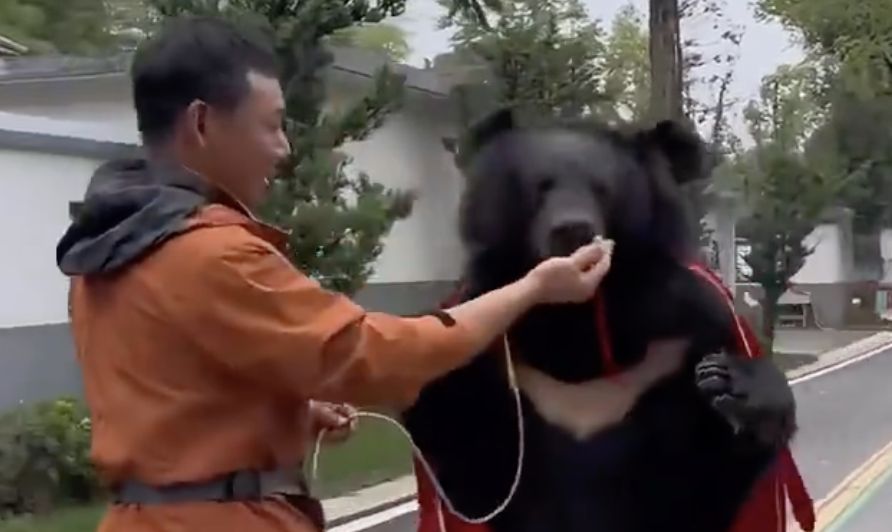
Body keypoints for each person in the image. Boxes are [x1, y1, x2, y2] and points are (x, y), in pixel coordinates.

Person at [55, 16, 613, 532]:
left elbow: (175, 395)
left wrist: (289, 416)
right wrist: (533, 288)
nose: (284, 149)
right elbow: (377, 356)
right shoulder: (207, 253)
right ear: (201, 122)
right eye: (271, 126)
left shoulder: (111, 246)